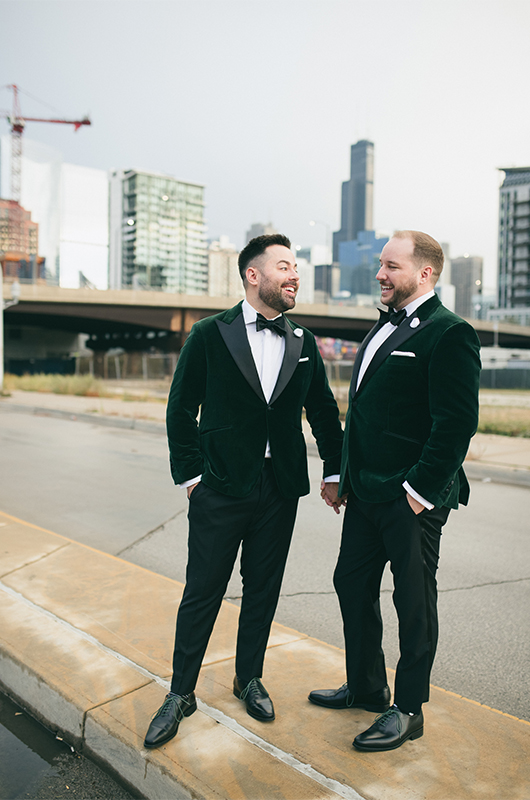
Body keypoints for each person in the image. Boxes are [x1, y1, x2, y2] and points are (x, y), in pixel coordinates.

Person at [144, 233, 343, 749]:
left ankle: (248, 677)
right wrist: (191, 479)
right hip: (220, 489)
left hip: (279, 490)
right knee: (202, 592)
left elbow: (322, 410)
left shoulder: (303, 342)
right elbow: (180, 408)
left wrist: (335, 470)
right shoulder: (210, 333)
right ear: (253, 275)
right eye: (283, 266)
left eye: (295, 265)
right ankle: (181, 692)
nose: (294, 274)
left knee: (263, 590)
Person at [309, 230, 481, 752]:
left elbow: (455, 424)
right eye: (381, 265)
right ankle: (366, 686)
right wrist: (341, 473)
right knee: (350, 583)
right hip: (365, 492)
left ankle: (407, 708)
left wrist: (419, 491)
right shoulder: (381, 327)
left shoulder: (450, 333)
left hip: (410, 497)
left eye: (392, 266)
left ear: (425, 273)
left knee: (413, 601)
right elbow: (363, 416)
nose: (380, 274)